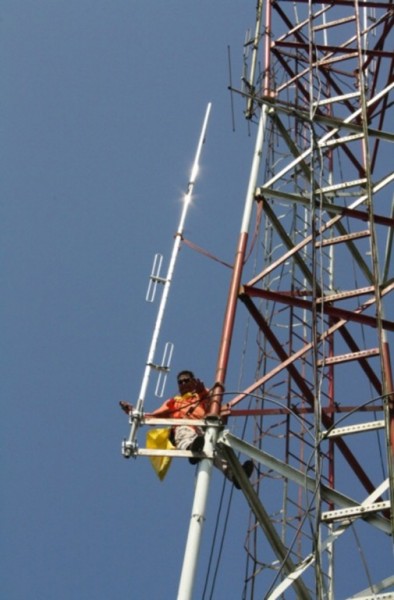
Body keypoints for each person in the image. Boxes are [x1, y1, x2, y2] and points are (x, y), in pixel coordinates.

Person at [120, 370, 254, 488]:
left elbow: (214, 400)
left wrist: (202, 391)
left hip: (206, 429)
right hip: (185, 427)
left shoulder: (201, 394)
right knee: (185, 434)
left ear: (193, 381)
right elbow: (153, 417)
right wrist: (134, 412)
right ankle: (192, 448)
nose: (183, 384)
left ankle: (236, 476)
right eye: (180, 382)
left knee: (220, 452)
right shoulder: (173, 402)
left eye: (186, 381)